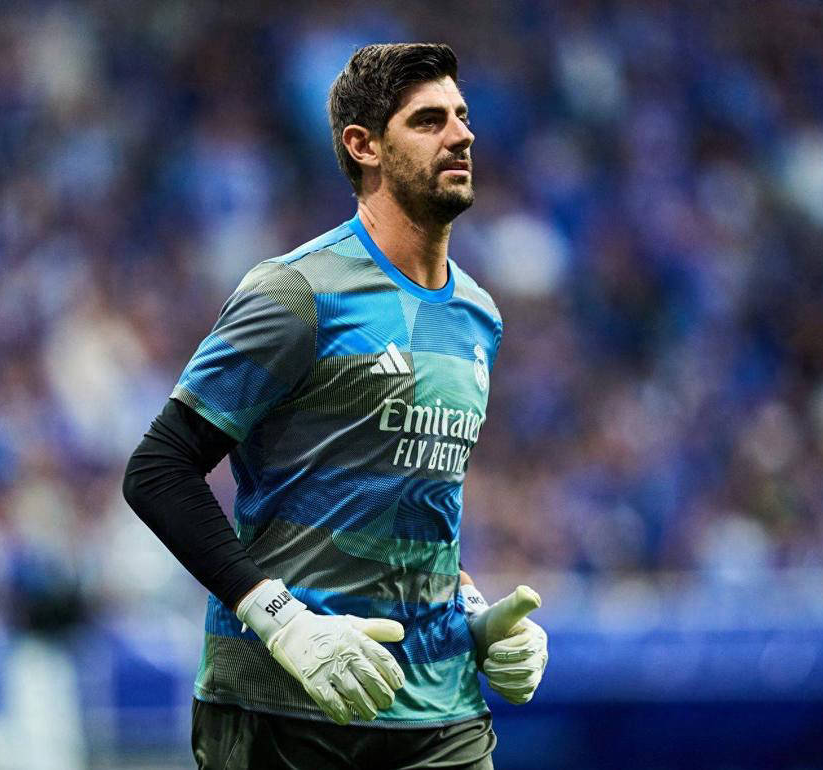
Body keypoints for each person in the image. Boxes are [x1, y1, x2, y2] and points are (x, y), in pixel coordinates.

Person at [123, 42, 548, 770]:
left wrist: (474, 620)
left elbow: (416, 509)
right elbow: (159, 470)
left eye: (462, 115)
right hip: (284, 706)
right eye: (429, 121)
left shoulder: (478, 314)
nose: (462, 135)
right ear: (364, 145)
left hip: (440, 712)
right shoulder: (299, 293)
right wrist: (282, 622)